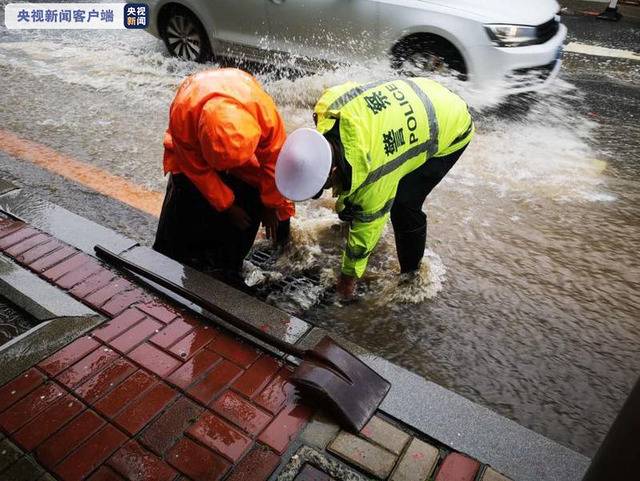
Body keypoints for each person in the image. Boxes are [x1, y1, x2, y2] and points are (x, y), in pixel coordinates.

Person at [275, 78, 473, 298]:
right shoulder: (328, 106)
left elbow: (367, 229)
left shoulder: (374, 175)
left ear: (332, 172)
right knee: (356, 190)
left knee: (404, 205)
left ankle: (412, 276)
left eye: (322, 188)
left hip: (450, 125)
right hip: (424, 92)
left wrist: (348, 280)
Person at [154, 68, 294, 288]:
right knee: (183, 203)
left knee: (254, 190)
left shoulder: (264, 113)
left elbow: (275, 163)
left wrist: (272, 204)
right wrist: (228, 206)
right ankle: (172, 256)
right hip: (188, 152)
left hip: (240, 130)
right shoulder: (183, 112)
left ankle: (229, 264)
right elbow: (197, 170)